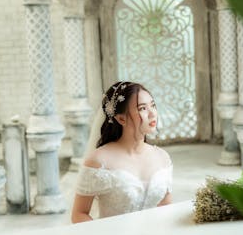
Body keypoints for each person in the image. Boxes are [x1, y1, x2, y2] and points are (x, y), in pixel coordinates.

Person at [71, 81, 173, 223]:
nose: (152, 114)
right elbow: (79, 214)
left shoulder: (162, 157)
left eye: (153, 105)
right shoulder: (99, 161)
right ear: (121, 118)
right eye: (142, 108)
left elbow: (166, 208)